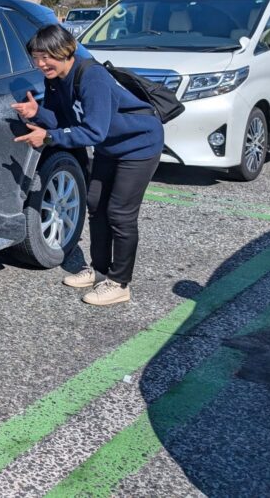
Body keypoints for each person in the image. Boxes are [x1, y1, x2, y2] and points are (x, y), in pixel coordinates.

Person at [11, 24, 164, 306]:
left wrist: (49, 137)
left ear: (65, 51)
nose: (41, 64)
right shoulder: (55, 79)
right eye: (36, 57)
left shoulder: (92, 77)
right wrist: (38, 113)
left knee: (120, 213)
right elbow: (63, 120)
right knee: (96, 204)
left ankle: (119, 283)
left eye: (47, 56)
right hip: (110, 146)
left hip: (139, 144)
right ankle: (99, 270)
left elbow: (94, 131)